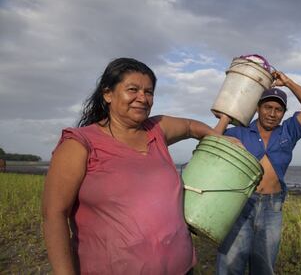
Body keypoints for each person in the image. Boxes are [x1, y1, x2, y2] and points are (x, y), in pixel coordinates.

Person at [42, 57, 223, 274]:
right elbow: (54, 214)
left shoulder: (157, 129)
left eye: (148, 92)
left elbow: (190, 126)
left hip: (181, 268)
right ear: (108, 94)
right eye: (132, 89)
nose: (142, 98)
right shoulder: (80, 143)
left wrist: (219, 138)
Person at [214, 70, 301, 274]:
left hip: (273, 206)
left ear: (283, 113)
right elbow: (211, 142)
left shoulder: (289, 131)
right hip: (241, 203)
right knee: (230, 263)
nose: (272, 113)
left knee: (264, 265)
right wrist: (225, 119)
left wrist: (287, 82)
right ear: (257, 108)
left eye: (278, 109)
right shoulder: (240, 132)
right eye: (267, 107)